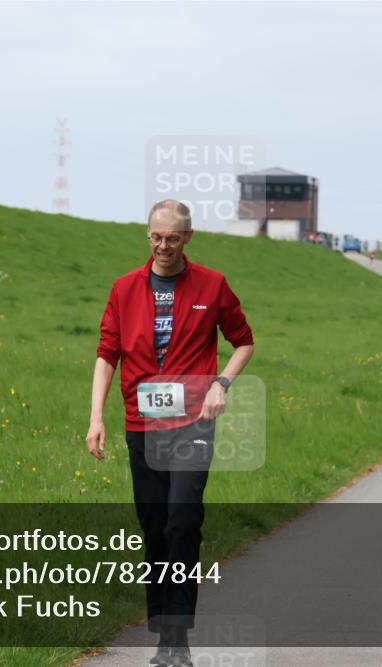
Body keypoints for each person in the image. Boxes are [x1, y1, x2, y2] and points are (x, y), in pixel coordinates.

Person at [87, 199, 255, 667]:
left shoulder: (212, 285)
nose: (163, 246)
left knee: (183, 521)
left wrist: (222, 383)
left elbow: (244, 342)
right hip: (142, 426)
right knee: (155, 531)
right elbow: (107, 354)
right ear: (148, 236)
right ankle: (163, 629)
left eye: (172, 239)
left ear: (188, 238)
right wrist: (96, 417)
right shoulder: (124, 289)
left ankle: (175, 643)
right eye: (155, 237)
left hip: (193, 424)